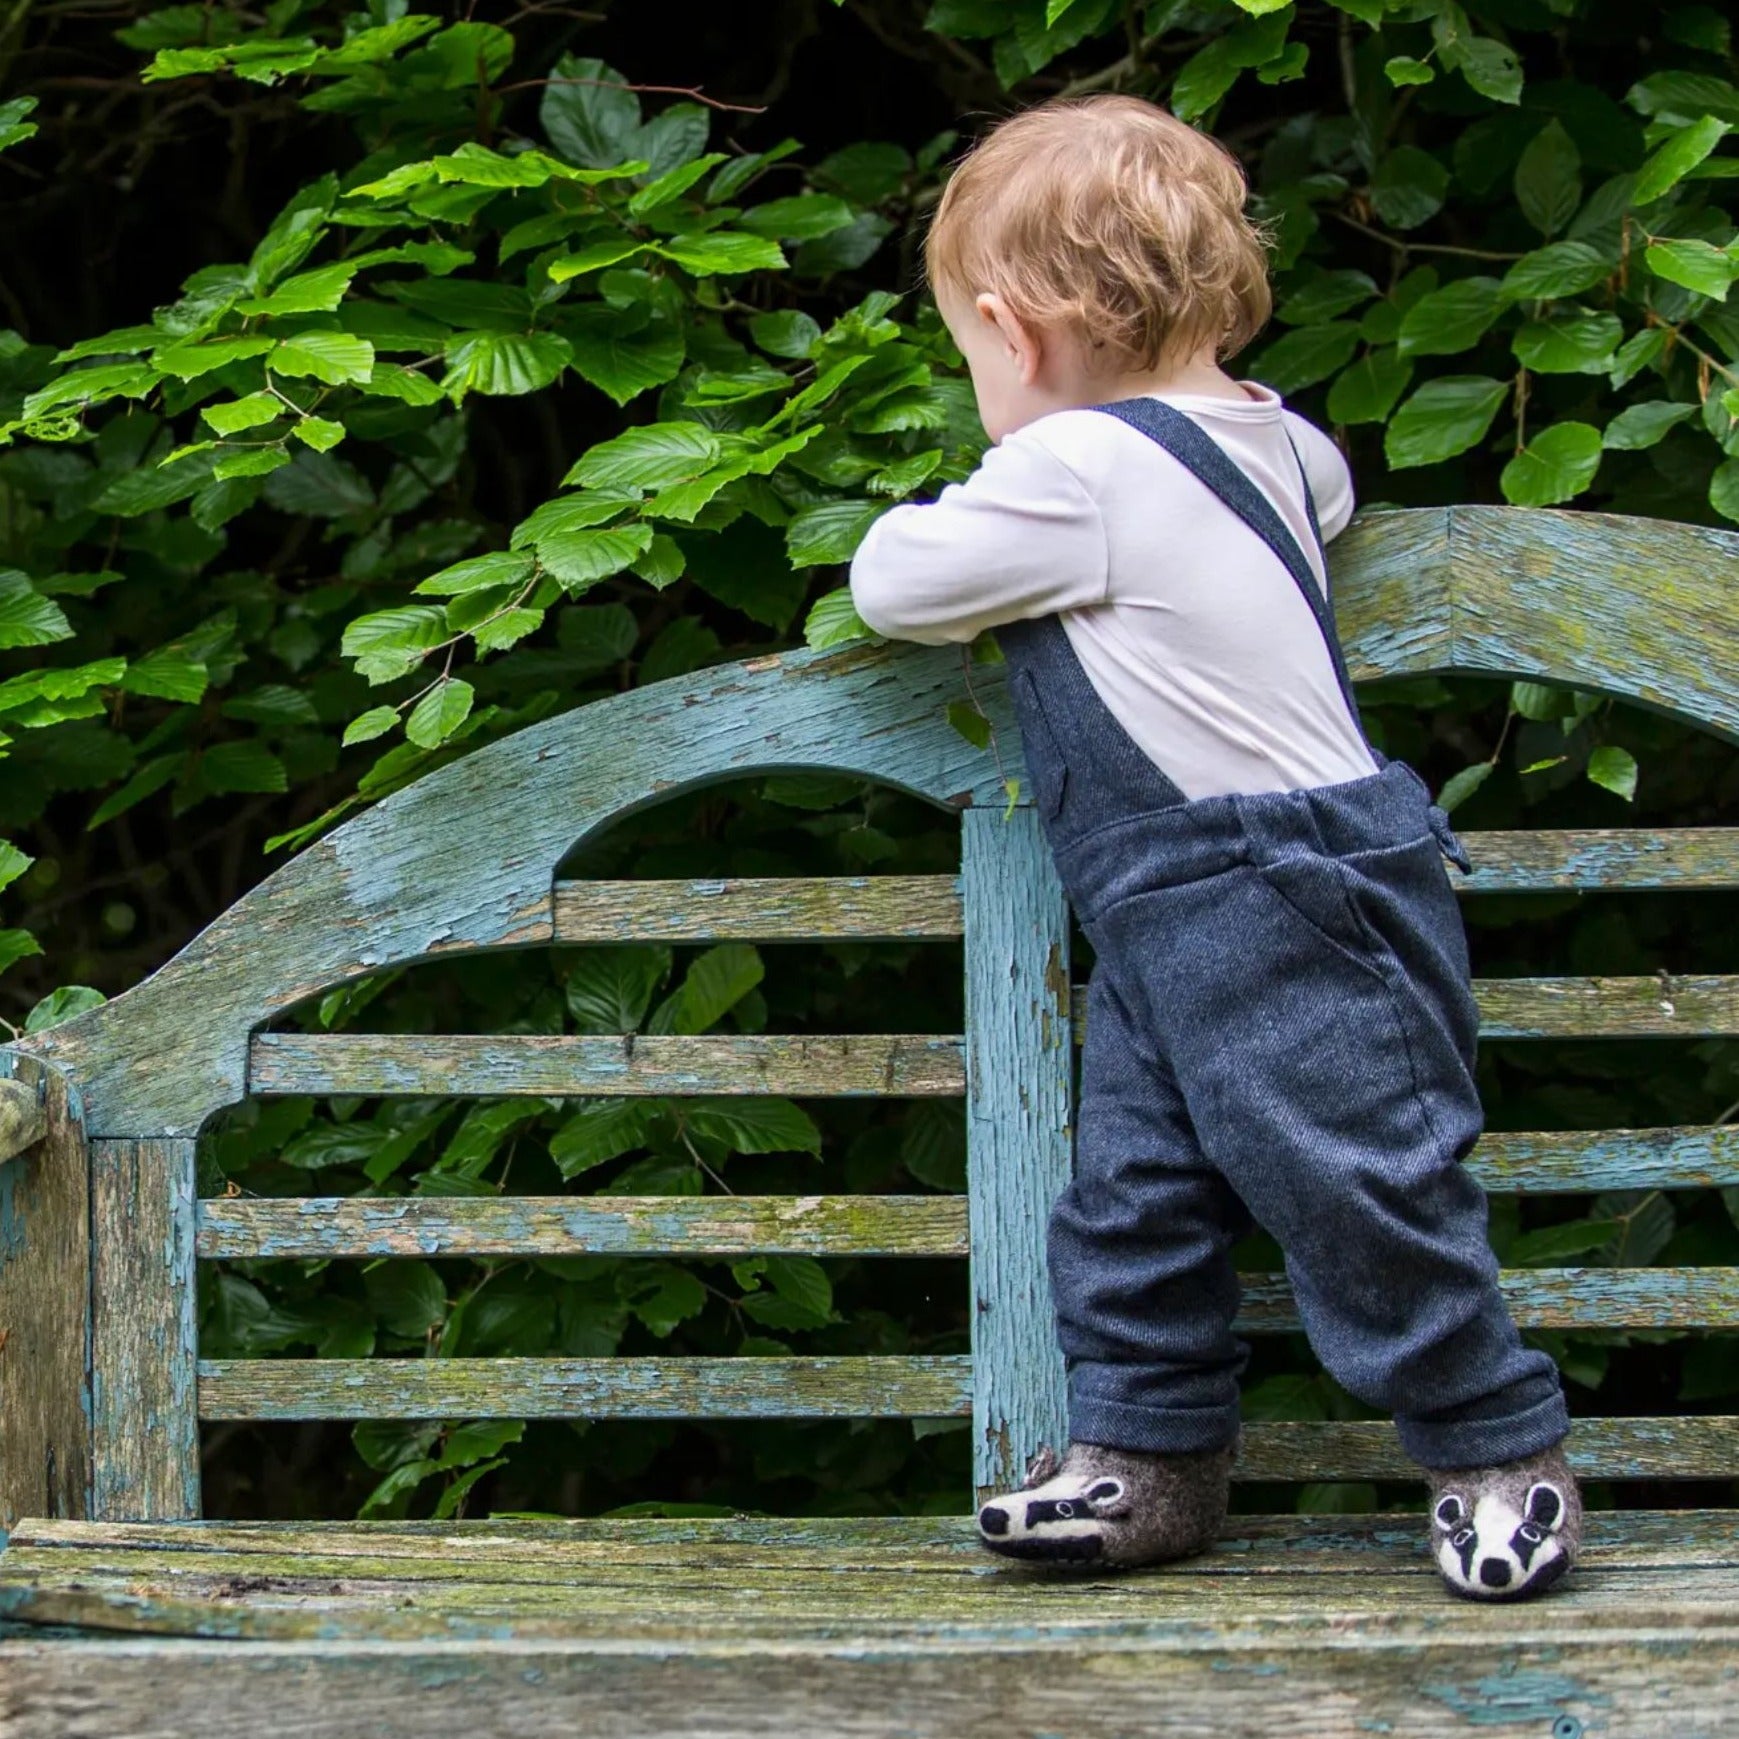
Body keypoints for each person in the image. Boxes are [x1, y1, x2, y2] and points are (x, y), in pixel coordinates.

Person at [848, 94, 1580, 1602]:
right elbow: (1326, 503)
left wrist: (989, 475)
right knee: (1140, 1187)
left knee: (1360, 1180)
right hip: (1205, 899)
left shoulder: (1078, 475)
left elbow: (894, 585)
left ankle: (1498, 1449)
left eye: (972, 351)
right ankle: (1148, 1457)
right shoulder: (1283, 444)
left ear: (1019, 331)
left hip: (1269, 887)